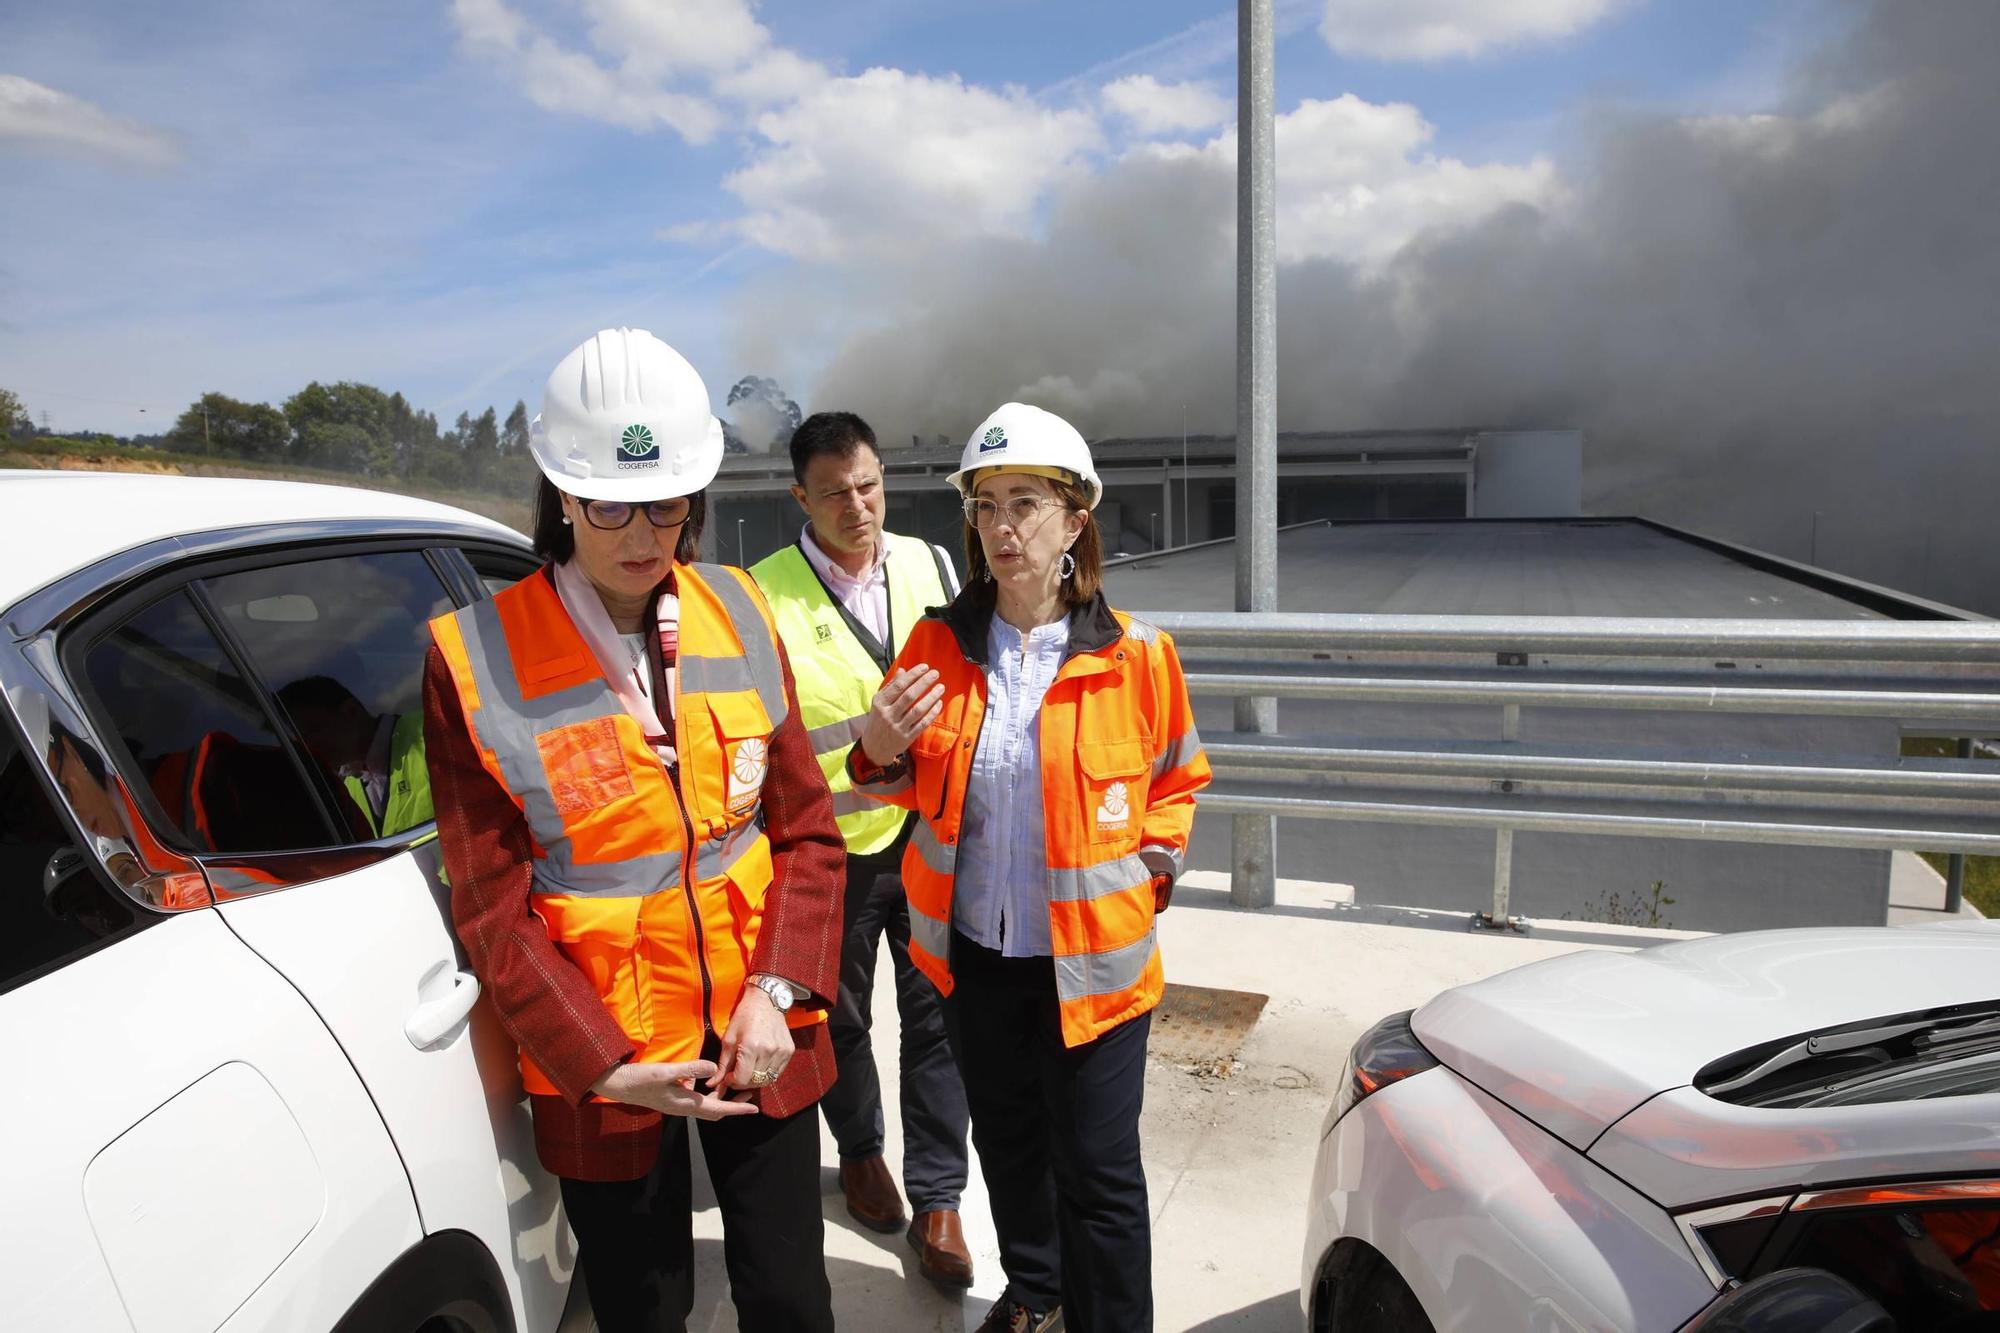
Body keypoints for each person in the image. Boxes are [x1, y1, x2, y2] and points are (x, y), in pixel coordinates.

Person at [423, 327, 844, 1333]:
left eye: (666, 502)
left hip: (761, 1030)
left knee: (790, 1295)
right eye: (609, 501)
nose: (642, 532)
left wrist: (776, 992)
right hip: (611, 1063)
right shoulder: (474, 658)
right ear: (560, 496)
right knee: (642, 1308)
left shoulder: (738, 609)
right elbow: (492, 911)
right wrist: (604, 1063)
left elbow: (806, 835)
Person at [848, 403, 1212, 1333]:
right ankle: (1038, 1294)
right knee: (1009, 1147)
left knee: (1098, 1172)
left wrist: (1152, 877)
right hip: (974, 959)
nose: (1003, 528)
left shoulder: (1138, 657)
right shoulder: (940, 644)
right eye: (987, 506)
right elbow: (894, 786)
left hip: (1094, 968)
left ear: (1075, 518)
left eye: (1026, 504)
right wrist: (876, 749)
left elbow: (1178, 776)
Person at [747, 411, 974, 1287]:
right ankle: (863, 1150)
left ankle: (942, 1198)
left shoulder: (934, 562)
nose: (859, 504)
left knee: (936, 1016)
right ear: (800, 495)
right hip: (828, 851)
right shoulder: (763, 592)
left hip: (926, 834)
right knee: (838, 1018)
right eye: (836, 491)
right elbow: (763, 737)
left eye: (870, 484)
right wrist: (864, 743)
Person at [275, 675, 431, 837]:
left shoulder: (431, 733)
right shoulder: (349, 787)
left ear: (351, 711)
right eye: (299, 738)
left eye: (314, 729)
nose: (309, 745)